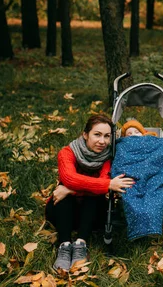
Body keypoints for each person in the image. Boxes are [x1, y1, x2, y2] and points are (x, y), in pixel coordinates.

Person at [46, 114, 135, 272]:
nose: (102, 141)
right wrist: (106, 184)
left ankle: (81, 244)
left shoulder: (109, 158)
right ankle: (64, 245)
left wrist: (69, 189)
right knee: (64, 197)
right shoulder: (67, 153)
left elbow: (99, 181)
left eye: (107, 136)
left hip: (93, 216)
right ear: (85, 134)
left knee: (90, 196)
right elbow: (70, 178)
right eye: (97, 135)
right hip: (63, 213)